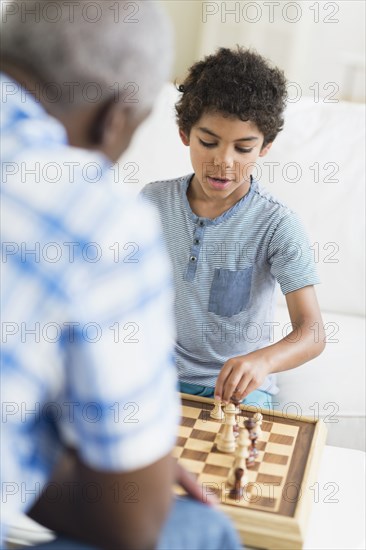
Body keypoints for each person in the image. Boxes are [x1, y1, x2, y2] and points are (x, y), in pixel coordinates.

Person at [0, 2, 242, 549]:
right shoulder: (101, 214)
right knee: (200, 526)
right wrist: (126, 479)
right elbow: (130, 526)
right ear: (115, 116)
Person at [141, 47, 326, 408]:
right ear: (184, 134)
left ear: (266, 147)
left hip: (240, 391)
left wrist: (263, 361)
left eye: (243, 148)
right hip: (157, 378)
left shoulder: (277, 224)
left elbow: (313, 331)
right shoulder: (152, 202)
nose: (223, 162)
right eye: (208, 142)